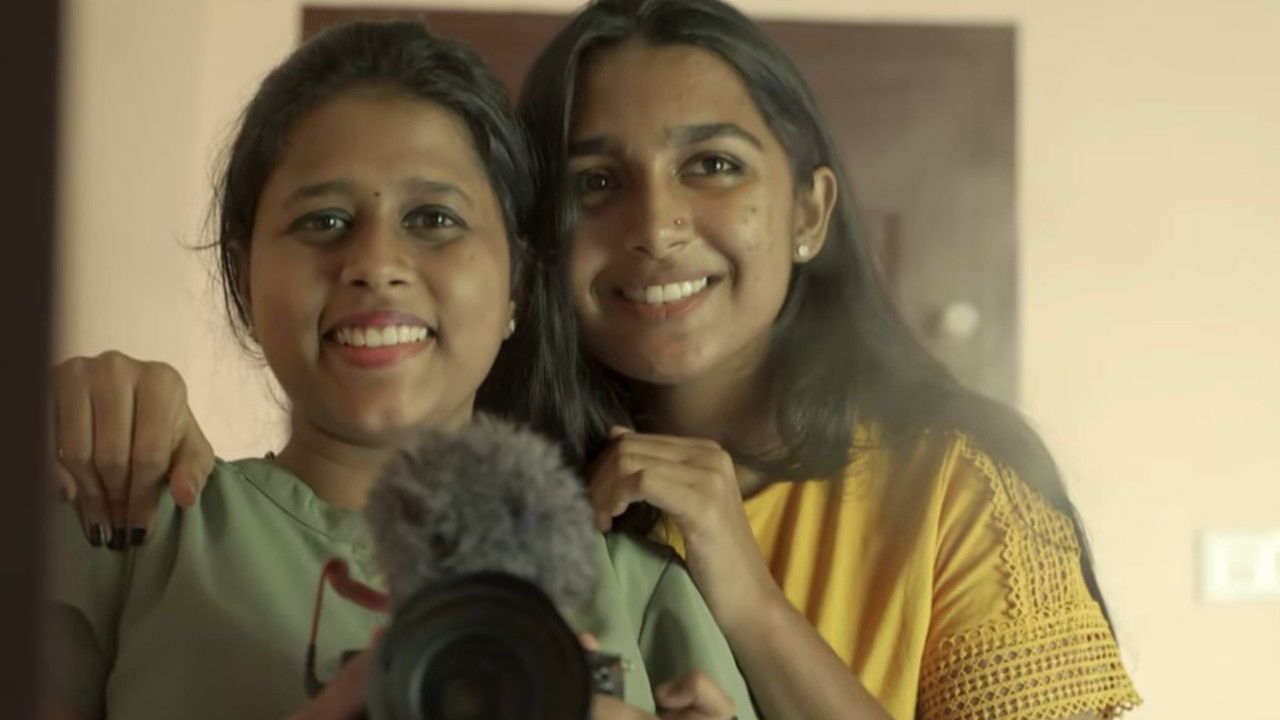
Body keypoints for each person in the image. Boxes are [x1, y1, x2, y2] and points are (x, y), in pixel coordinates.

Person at [52, 1, 1143, 718]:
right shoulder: (140, 519)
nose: (655, 225)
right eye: (593, 183)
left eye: (710, 164)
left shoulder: (938, 498)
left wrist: (750, 609)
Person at [44, 19, 755, 720]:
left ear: (516, 280)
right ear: (244, 276)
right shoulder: (123, 528)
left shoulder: (638, 591)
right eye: (322, 221)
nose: (377, 266)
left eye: (434, 219)